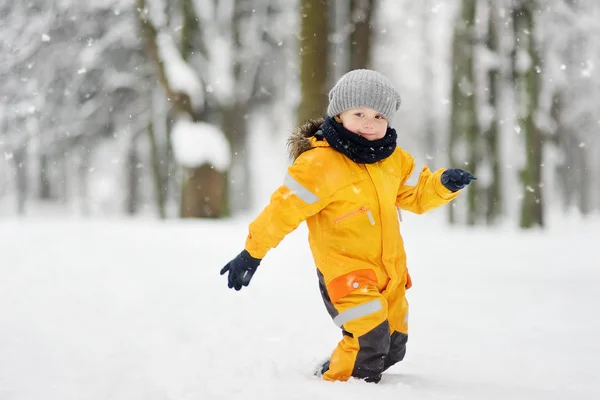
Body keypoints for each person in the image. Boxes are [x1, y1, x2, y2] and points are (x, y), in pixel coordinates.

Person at [219, 69, 476, 383]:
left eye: (379, 116)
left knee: (393, 348)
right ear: (339, 115)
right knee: (370, 344)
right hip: (346, 273)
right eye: (359, 113)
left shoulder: (394, 159)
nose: (369, 123)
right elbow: (281, 212)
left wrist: (443, 185)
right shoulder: (318, 165)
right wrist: (251, 253)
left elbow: (416, 194)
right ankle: (339, 386)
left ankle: (338, 367)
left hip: (390, 274)